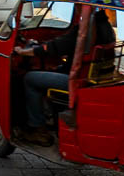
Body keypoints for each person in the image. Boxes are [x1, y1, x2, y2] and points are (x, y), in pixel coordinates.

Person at [15, 9, 117, 145]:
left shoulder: (86, 28)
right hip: (92, 79)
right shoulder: (106, 28)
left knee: (30, 78)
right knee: (52, 71)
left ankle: (37, 128)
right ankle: (48, 115)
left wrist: (24, 51)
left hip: (75, 81)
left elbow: (54, 47)